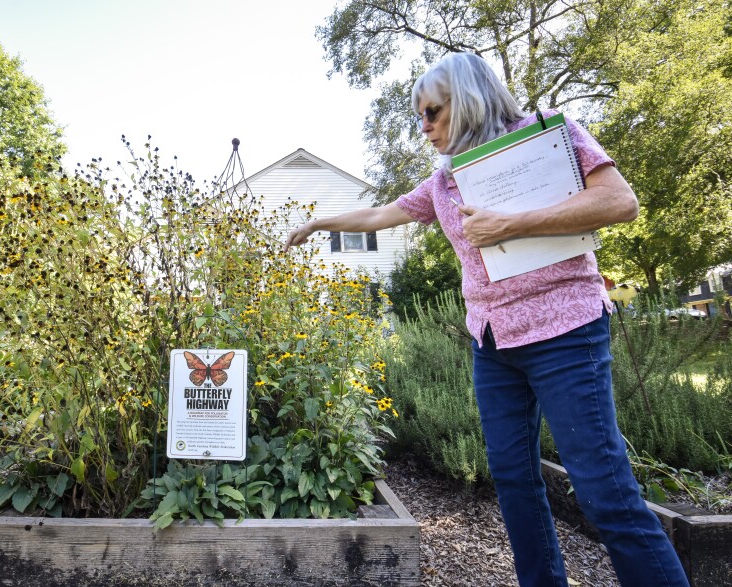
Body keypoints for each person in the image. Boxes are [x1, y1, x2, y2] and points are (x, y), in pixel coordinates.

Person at [284, 52, 688, 587]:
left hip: (564, 332)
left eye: (432, 112)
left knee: (603, 492)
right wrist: (317, 222)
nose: (424, 127)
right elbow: (381, 215)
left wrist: (513, 224)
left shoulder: (550, 136)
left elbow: (620, 202)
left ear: (468, 99)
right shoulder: (445, 181)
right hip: (493, 344)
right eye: (419, 117)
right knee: (514, 482)